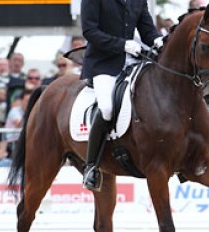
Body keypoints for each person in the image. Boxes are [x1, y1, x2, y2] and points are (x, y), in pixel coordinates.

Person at [80, 0, 163, 191]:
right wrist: (122, 45)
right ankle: (91, 166)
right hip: (103, 63)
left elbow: (147, 31)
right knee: (107, 107)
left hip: (134, 60)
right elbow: (90, 31)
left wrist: (158, 39)